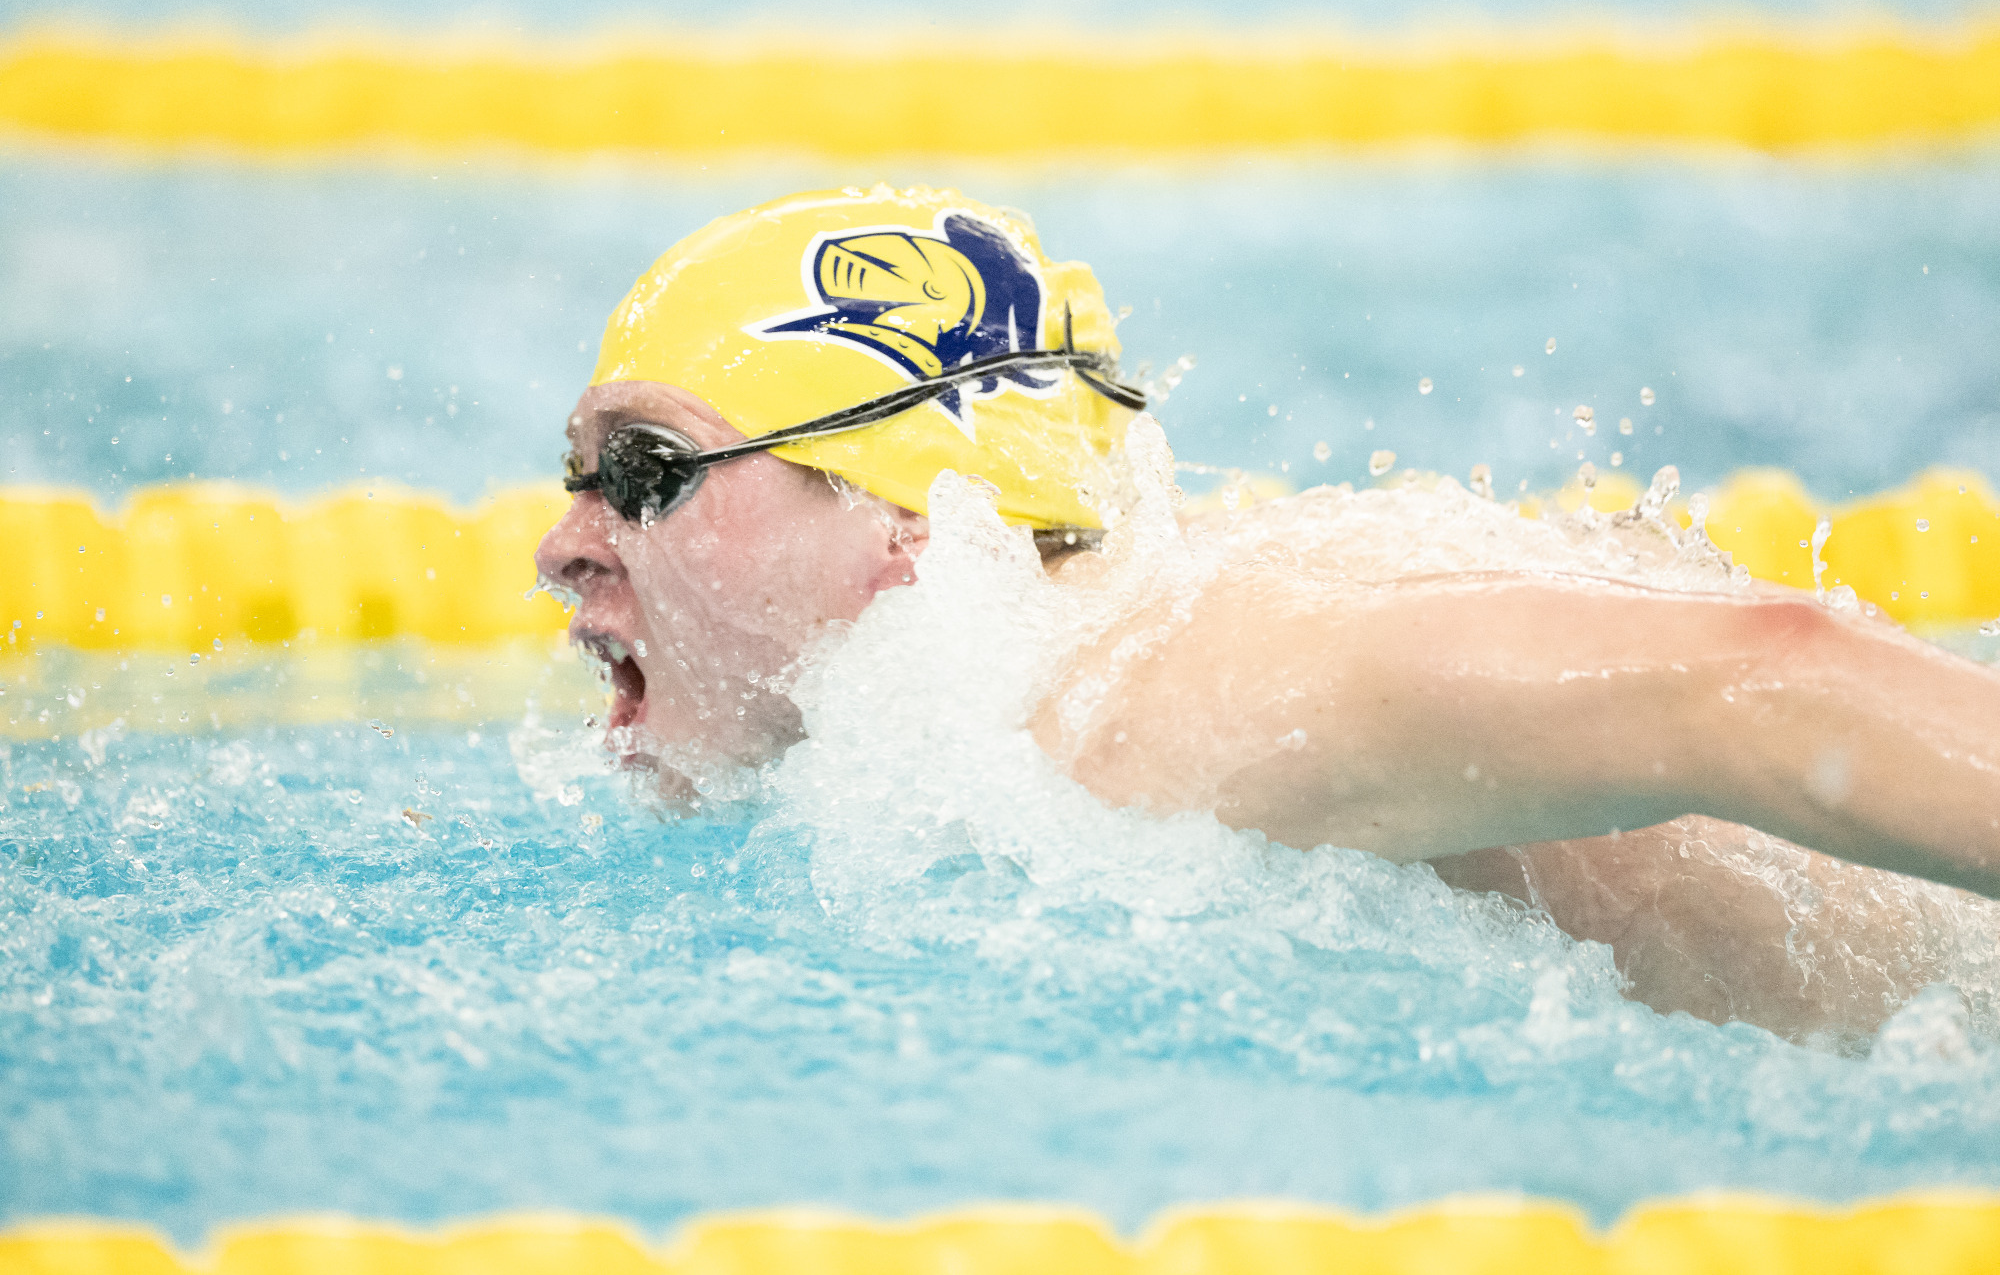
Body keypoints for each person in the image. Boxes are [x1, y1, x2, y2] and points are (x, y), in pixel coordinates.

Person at [536, 185, 2000, 1045]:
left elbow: (1766, 677)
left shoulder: (1180, 705)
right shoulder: (1053, 674)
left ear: (912, 516)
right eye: (578, 478)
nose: (563, 545)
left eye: (647, 472)